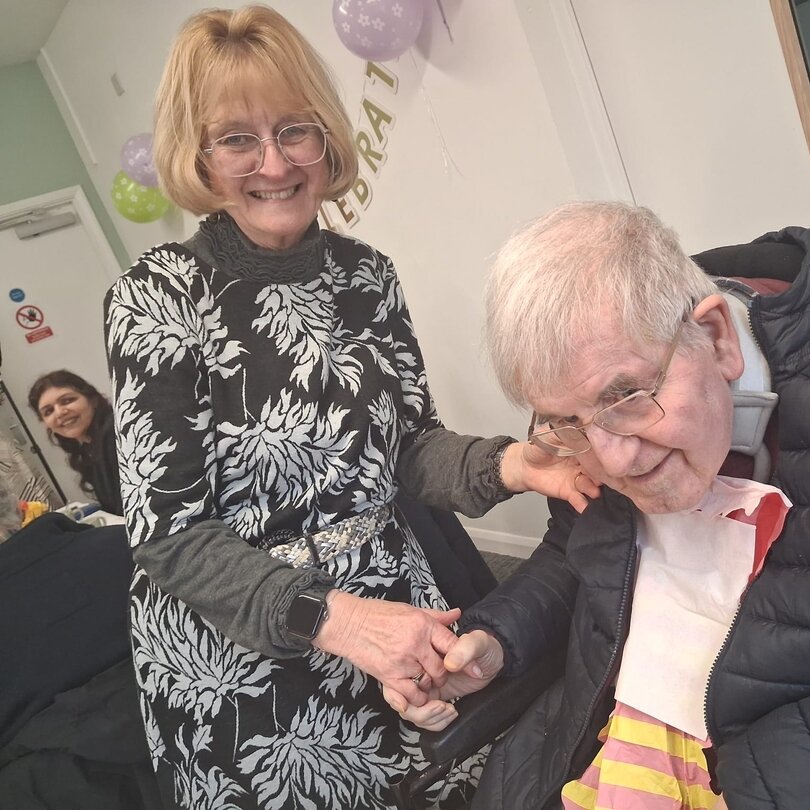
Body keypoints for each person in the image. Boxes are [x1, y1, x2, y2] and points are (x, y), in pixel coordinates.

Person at [388, 202, 810, 809]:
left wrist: (754, 784)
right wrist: (498, 639)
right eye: (566, 423)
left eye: (626, 397)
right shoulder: (601, 409)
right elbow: (577, 557)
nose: (613, 459)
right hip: (603, 751)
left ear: (717, 337)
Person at [102, 7, 593, 809]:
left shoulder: (366, 275)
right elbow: (171, 535)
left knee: (440, 781)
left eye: (295, 129)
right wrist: (340, 621)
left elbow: (407, 447)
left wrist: (512, 463)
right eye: (236, 140)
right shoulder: (155, 298)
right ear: (198, 156)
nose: (274, 163)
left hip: (389, 596)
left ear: (327, 136)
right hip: (240, 650)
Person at [28, 370, 120, 515]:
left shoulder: (114, 435)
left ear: (93, 400)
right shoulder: (87, 448)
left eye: (67, 401)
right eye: (48, 411)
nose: (59, 413)